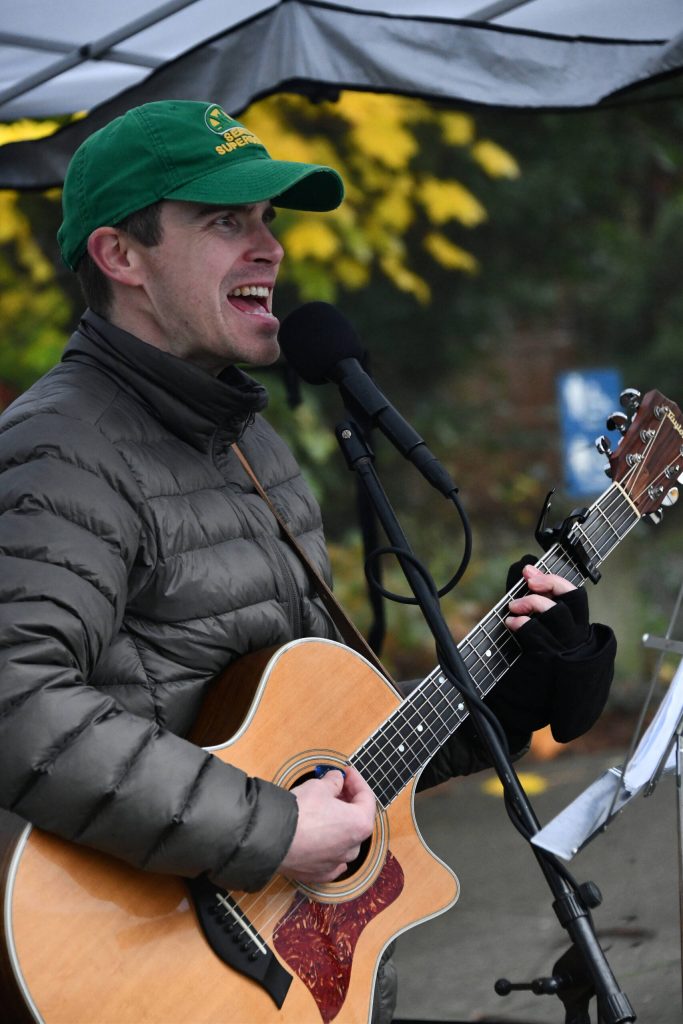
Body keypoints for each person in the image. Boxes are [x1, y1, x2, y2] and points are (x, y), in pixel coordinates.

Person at [0, 99, 616, 1022]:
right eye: (224, 221)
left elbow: (339, 755)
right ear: (120, 257)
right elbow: (17, 700)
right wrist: (275, 830)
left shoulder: (257, 448)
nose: (268, 248)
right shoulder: (59, 447)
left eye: (267, 221)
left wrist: (511, 684)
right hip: (144, 968)